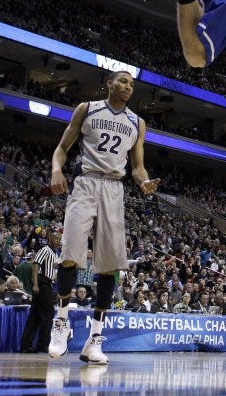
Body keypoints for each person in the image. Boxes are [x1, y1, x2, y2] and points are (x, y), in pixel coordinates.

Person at [47, 70, 160, 365]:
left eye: (132, 84)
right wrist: (56, 170)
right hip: (85, 183)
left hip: (114, 188)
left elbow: (137, 166)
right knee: (70, 254)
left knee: (109, 266)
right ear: (109, 84)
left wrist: (143, 182)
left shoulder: (137, 122)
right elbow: (61, 148)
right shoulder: (87, 108)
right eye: (123, 81)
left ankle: (95, 339)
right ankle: (61, 324)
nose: (128, 87)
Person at [20, 231, 60, 353]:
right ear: (49, 238)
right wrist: (36, 284)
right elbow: (35, 265)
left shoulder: (55, 253)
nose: (58, 240)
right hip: (42, 282)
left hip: (48, 283)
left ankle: (26, 345)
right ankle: (43, 345)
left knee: (35, 316)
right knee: (49, 313)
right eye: (55, 238)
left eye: (59, 239)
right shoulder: (45, 250)